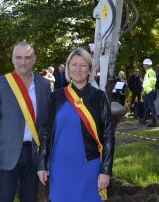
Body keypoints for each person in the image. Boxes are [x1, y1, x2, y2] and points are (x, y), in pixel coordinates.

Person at [38, 47, 115, 202]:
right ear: (67, 68)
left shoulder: (99, 97)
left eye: (83, 65)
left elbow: (108, 136)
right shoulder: (56, 97)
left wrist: (105, 170)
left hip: (89, 167)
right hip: (59, 167)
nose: (78, 69)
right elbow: (46, 132)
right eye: (74, 64)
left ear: (90, 69)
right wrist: (41, 164)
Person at [0, 41, 52, 202]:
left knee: (29, 198)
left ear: (34, 59)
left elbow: (46, 124)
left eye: (27, 57)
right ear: (13, 59)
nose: (23, 62)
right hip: (6, 154)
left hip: (33, 154)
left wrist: (44, 157)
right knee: (3, 198)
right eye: (19, 57)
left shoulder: (44, 85)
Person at [140, 58, 157, 127]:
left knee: (151, 107)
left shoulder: (150, 72)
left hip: (149, 92)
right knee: (146, 106)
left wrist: (148, 90)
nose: (143, 66)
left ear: (147, 65)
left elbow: (152, 83)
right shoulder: (148, 72)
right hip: (147, 92)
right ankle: (144, 120)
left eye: (144, 64)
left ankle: (154, 122)